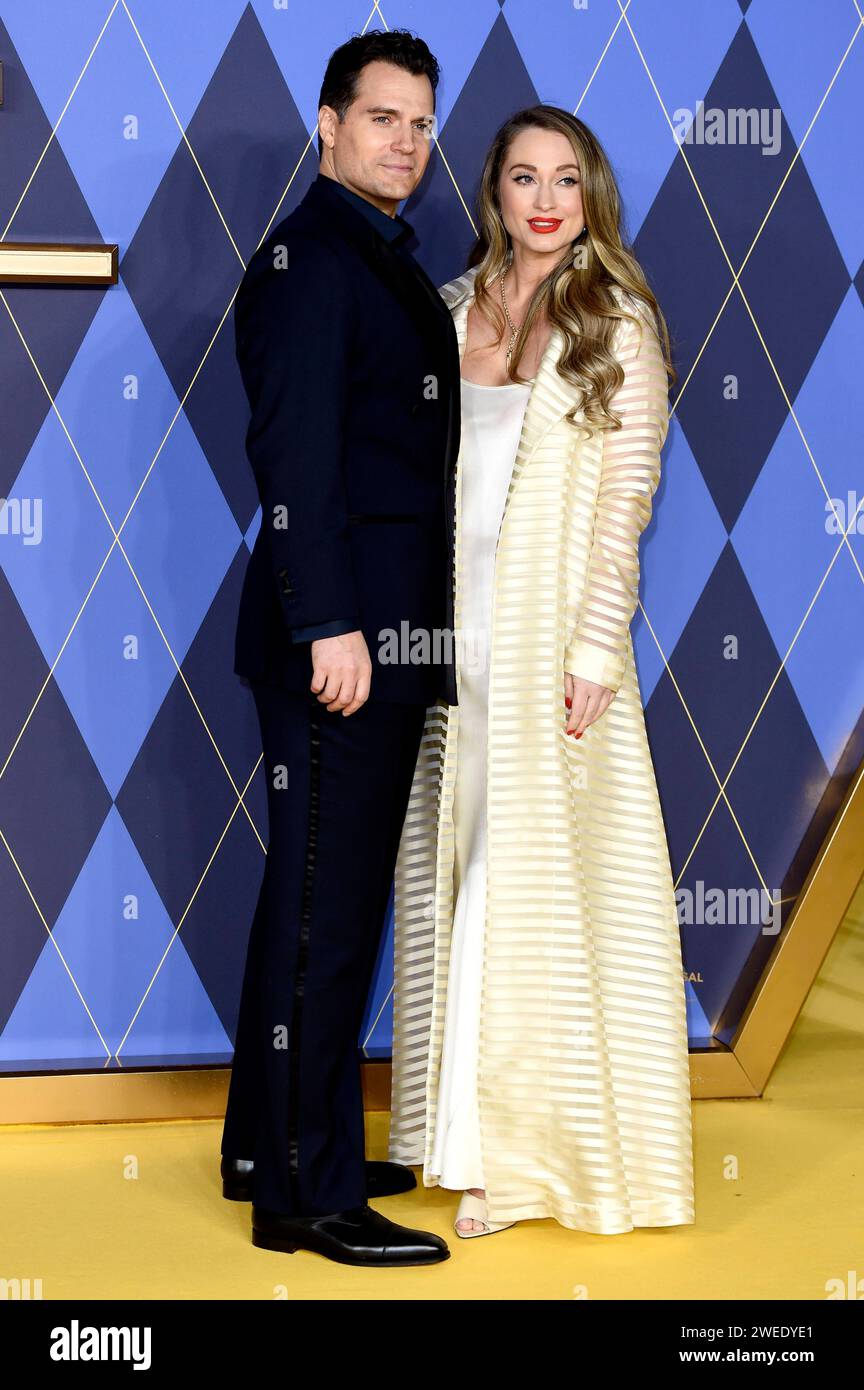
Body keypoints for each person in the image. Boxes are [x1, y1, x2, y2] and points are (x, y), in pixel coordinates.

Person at [389, 106, 695, 1239]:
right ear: (495, 195)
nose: (547, 199)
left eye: (567, 177)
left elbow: (628, 503)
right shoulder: (452, 310)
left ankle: (517, 1164)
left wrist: (594, 645)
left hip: (546, 642)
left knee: (523, 893)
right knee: (458, 876)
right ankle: (456, 1134)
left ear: (592, 192)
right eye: (525, 178)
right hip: (447, 642)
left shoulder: (619, 322)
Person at [221, 30, 461, 1267]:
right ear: (329, 125)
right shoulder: (314, 260)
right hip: (342, 642)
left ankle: (270, 1146)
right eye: (383, 120)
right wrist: (329, 622)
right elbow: (294, 455)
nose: (407, 144)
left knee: (305, 900)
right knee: (326, 911)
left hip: (370, 634)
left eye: (422, 123)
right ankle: (305, 1198)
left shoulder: (366, 253)